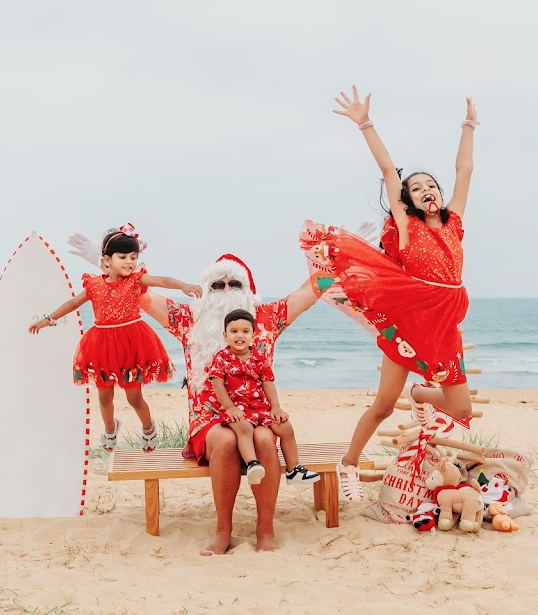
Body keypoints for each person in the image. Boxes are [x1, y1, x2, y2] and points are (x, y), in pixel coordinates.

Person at [67, 237, 327, 555]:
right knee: (227, 441)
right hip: (208, 419)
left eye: (235, 283)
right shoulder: (189, 320)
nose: (227, 290)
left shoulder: (265, 319)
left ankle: (265, 529)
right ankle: (222, 531)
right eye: (218, 285)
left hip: (256, 413)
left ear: (248, 289)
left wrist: (338, 257)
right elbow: (140, 293)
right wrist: (104, 261)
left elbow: (308, 293)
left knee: (263, 439)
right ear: (206, 290)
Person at [300, 86, 478, 503]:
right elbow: (387, 171)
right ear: (408, 200)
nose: (428, 190)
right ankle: (348, 462)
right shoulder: (405, 224)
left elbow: (465, 169)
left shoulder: (455, 223)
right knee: (382, 406)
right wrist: (365, 123)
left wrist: (469, 125)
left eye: (431, 184)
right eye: (418, 188)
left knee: (461, 409)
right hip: (409, 315)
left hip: (444, 318)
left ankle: (420, 393)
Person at [29, 223, 202, 452]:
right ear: (107, 259)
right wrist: (47, 320)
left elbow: (163, 281)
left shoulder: (136, 281)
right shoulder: (94, 285)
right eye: (123, 257)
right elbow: (72, 304)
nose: (130, 262)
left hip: (132, 344)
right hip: (102, 346)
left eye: (133, 256)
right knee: (104, 397)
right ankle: (111, 429)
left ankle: (148, 429)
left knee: (134, 398)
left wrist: (184, 286)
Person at [207, 309, 320, 486]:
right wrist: (230, 407)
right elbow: (217, 385)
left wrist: (275, 407)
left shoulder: (259, 358)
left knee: (285, 427)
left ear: (253, 334)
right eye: (234, 331)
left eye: (245, 331)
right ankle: (252, 463)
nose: (240, 336)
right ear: (225, 335)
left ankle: (294, 469)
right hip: (236, 410)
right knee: (244, 428)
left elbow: (268, 384)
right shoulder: (222, 358)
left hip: (259, 409)